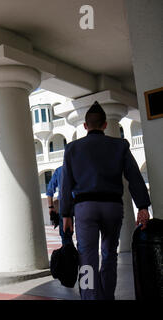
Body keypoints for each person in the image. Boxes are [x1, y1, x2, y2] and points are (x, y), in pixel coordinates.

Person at [59, 101, 151, 300]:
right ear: (105, 125)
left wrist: (66, 214)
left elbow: (65, 184)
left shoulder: (73, 149)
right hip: (112, 207)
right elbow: (134, 176)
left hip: (85, 208)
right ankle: (107, 296)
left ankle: (90, 297)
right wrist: (142, 206)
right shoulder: (120, 145)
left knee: (87, 258)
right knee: (109, 254)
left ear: (85, 126)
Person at [46, 166, 73, 245]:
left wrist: (51, 207)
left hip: (64, 203)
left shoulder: (59, 170)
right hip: (80, 202)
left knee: (65, 235)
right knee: (83, 234)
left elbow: (50, 189)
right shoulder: (79, 166)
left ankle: (68, 254)